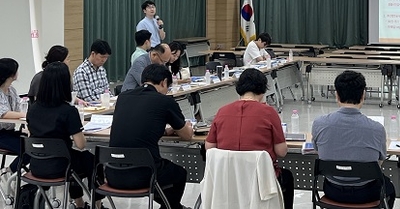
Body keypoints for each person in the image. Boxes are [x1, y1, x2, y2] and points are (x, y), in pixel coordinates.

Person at [205, 68, 294, 209]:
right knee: (287, 177)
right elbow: (281, 152)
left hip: (227, 181)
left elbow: (209, 148)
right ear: (263, 90)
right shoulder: (269, 112)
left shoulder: (222, 111)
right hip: (260, 182)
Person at [109, 64, 193, 209]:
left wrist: (163, 131)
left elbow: (139, 125)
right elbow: (187, 136)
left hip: (112, 174)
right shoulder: (165, 101)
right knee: (179, 173)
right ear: (164, 82)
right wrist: (188, 127)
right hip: (145, 176)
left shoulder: (122, 98)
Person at [311, 70, 395, 207]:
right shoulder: (377, 129)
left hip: (333, 191)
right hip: (366, 193)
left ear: (337, 95)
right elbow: (379, 161)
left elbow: (317, 150)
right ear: (363, 95)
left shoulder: (319, 124)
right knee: (389, 188)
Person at [27, 62, 104, 209]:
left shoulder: (33, 109)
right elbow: (81, 145)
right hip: (62, 166)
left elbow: (32, 135)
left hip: (37, 165)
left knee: (75, 159)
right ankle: (97, 204)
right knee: (92, 160)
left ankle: (79, 203)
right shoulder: (68, 111)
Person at [0, 58, 26, 174]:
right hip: (1, 134)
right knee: (27, 149)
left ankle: (9, 171)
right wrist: (25, 114)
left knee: (34, 144)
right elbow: (4, 113)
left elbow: (18, 108)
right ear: (11, 74)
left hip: (9, 132)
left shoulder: (12, 90)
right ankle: (8, 172)